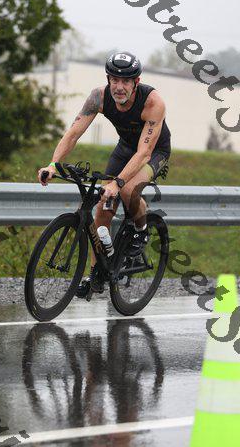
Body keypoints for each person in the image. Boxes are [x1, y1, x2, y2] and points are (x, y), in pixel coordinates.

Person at [37, 51, 171, 297]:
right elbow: (73, 133)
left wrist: (117, 183)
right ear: (108, 79)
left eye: (125, 81)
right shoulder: (98, 97)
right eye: (114, 80)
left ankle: (141, 230)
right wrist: (53, 165)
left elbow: (143, 153)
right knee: (102, 208)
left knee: (128, 190)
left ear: (136, 82)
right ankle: (96, 274)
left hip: (153, 152)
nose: (119, 87)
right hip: (125, 149)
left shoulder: (153, 102)